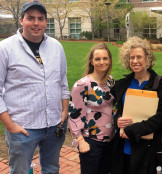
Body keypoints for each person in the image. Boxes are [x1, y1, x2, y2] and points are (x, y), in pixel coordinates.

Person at [0, 1, 69, 173]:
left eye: (41, 18)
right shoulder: (5, 48)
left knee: (52, 168)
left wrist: (64, 111)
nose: (36, 23)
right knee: (20, 171)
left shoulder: (56, 47)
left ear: (46, 22)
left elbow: (62, 81)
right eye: (31, 18)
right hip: (23, 127)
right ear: (21, 20)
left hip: (54, 125)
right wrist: (10, 125)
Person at [110, 36, 162, 174]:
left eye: (139, 57)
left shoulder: (159, 85)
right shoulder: (122, 84)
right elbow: (117, 110)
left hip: (147, 149)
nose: (135, 61)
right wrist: (117, 120)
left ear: (147, 58)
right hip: (124, 147)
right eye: (131, 57)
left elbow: (161, 117)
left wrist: (132, 130)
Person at [68, 43, 115, 174]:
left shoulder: (111, 81)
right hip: (91, 142)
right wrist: (80, 140)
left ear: (110, 60)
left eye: (105, 58)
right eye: (97, 59)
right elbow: (74, 115)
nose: (102, 62)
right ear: (91, 61)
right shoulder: (82, 85)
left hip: (110, 140)